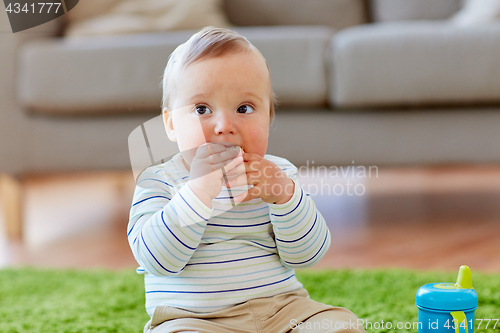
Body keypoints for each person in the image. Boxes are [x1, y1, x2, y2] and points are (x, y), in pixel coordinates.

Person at [128, 26, 365, 333]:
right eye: (202, 109)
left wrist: (286, 197)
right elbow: (158, 260)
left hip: (283, 310)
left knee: (340, 324)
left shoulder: (277, 175)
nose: (224, 125)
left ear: (268, 118)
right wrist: (196, 194)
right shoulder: (158, 181)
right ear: (171, 124)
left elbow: (308, 254)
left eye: (244, 108)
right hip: (194, 319)